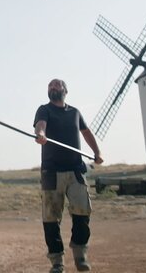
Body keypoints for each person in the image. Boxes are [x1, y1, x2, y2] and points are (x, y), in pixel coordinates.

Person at [34, 79, 103, 273]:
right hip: (51, 171)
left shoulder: (75, 112)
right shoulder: (44, 110)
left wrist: (97, 152)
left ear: (65, 90)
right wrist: (40, 134)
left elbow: (86, 132)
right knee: (50, 218)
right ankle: (57, 262)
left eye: (56, 85)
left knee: (83, 211)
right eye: (49, 85)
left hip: (75, 169)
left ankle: (80, 254)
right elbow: (40, 126)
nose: (52, 87)